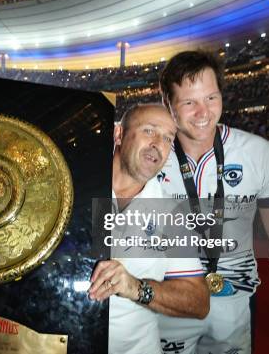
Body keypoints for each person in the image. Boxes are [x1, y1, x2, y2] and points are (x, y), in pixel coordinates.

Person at [157, 50, 269, 354]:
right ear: (167, 103)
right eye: (190, 102)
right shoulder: (146, 156)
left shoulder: (260, 154)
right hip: (163, 305)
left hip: (234, 306)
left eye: (211, 98)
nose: (204, 112)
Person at [88, 104, 209, 354]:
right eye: (149, 131)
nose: (158, 144)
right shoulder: (74, 187)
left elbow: (199, 301)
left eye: (167, 138)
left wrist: (135, 288)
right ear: (119, 134)